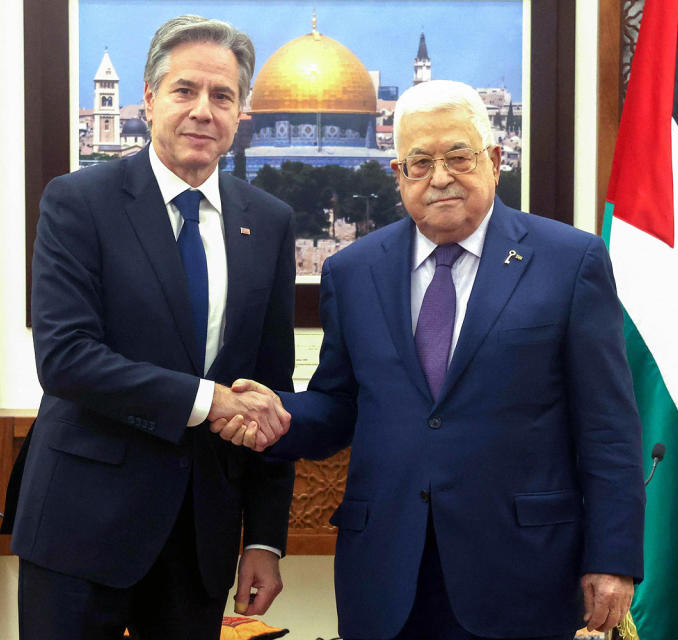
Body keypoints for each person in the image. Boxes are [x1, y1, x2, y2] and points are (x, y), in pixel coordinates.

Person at [215, 80, 645, 640]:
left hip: (523, 570)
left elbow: (608, 428)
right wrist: (278, 417)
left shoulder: (569, 261)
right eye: (419, 162)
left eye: (458, 156)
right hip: (388, 571)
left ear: (493, 161)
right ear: (399, 177)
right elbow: (340, 405)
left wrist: (612, 558)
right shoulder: (354, 271)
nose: (440, 177)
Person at [8, 15, 295, 640]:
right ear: (148, 99)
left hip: (201, 539)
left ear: (240, 111)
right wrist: (207, 400)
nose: (202, 111)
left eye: (222, 96)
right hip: (81, 528)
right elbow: (65, 358)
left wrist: (266, 539)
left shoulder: (268, 221)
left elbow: (269, 388)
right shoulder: (78, 200)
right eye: (184, 90)